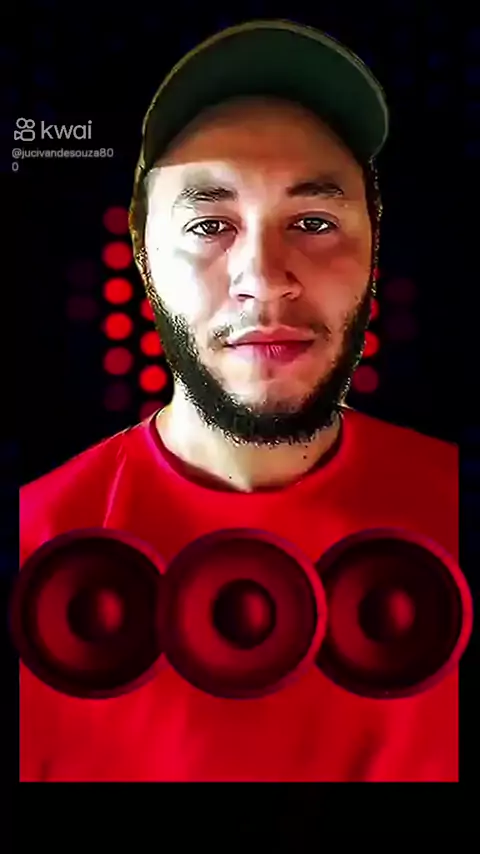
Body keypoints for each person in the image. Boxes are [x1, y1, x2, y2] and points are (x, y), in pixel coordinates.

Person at [20, 20, 458, 782]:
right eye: (209, 225)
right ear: (141, 255)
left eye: (314, 223)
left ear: (375, 249)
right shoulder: (30, 548)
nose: (264, 279)